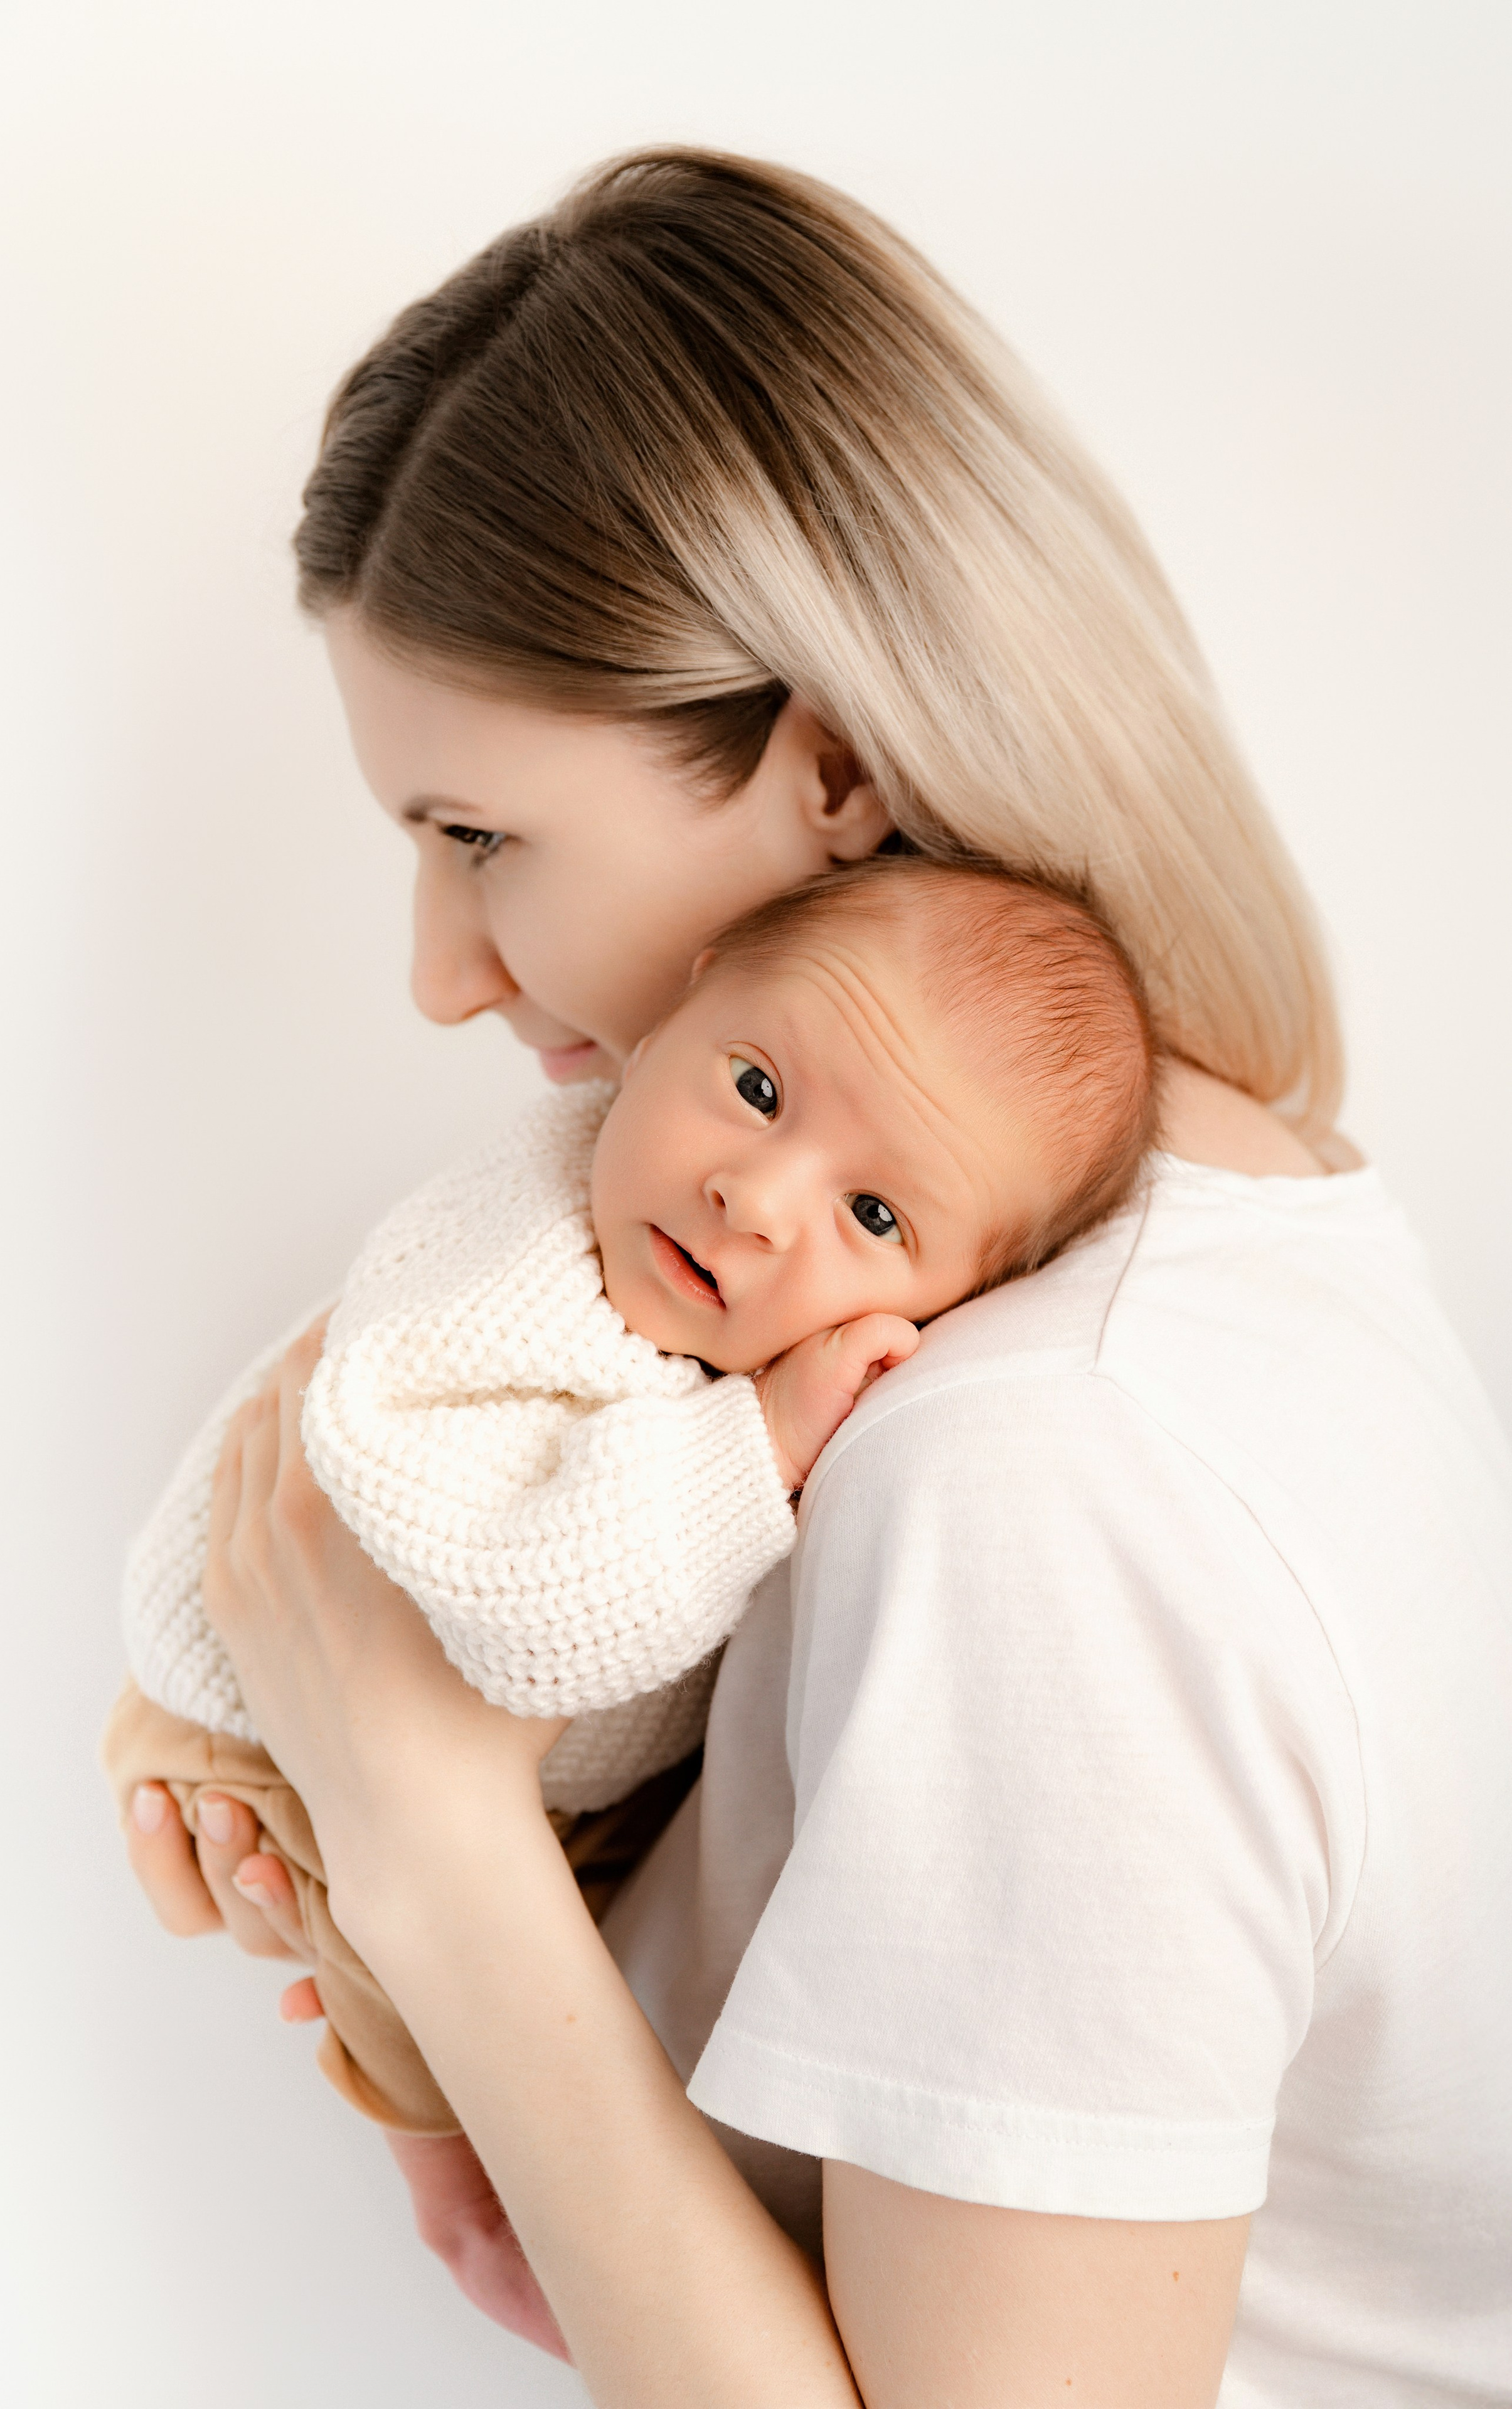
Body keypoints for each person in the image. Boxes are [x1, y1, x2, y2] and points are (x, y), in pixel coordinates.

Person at [119, 149, 1512, 2403]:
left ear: (835, 773)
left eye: (482, 838)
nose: (441, 972)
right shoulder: (1253, 1230)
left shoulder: (1049, 1471)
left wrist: (428, 1841)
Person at [109, 856, 1156, 2137]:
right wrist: (756, 1444)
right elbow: (523, 1609)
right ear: (670, 1018)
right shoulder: (514, 1268)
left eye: (874, 1214)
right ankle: (446, 2173)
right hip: (261, 1729)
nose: (754, 1202)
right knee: (456, 2048)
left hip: (543, 1774)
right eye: (757, 1090)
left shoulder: (707, 1299)